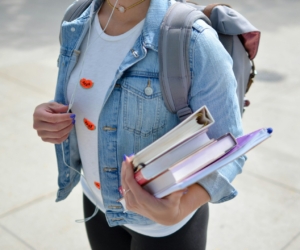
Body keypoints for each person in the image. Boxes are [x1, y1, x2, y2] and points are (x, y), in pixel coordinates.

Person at [33, 0, 245, 249]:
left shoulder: (195, 40)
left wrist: (179, 210)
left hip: (164, 229)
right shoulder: (76, 18)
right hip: (96, 202)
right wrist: (50, 115)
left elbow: (229, 148)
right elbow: (90, 95)